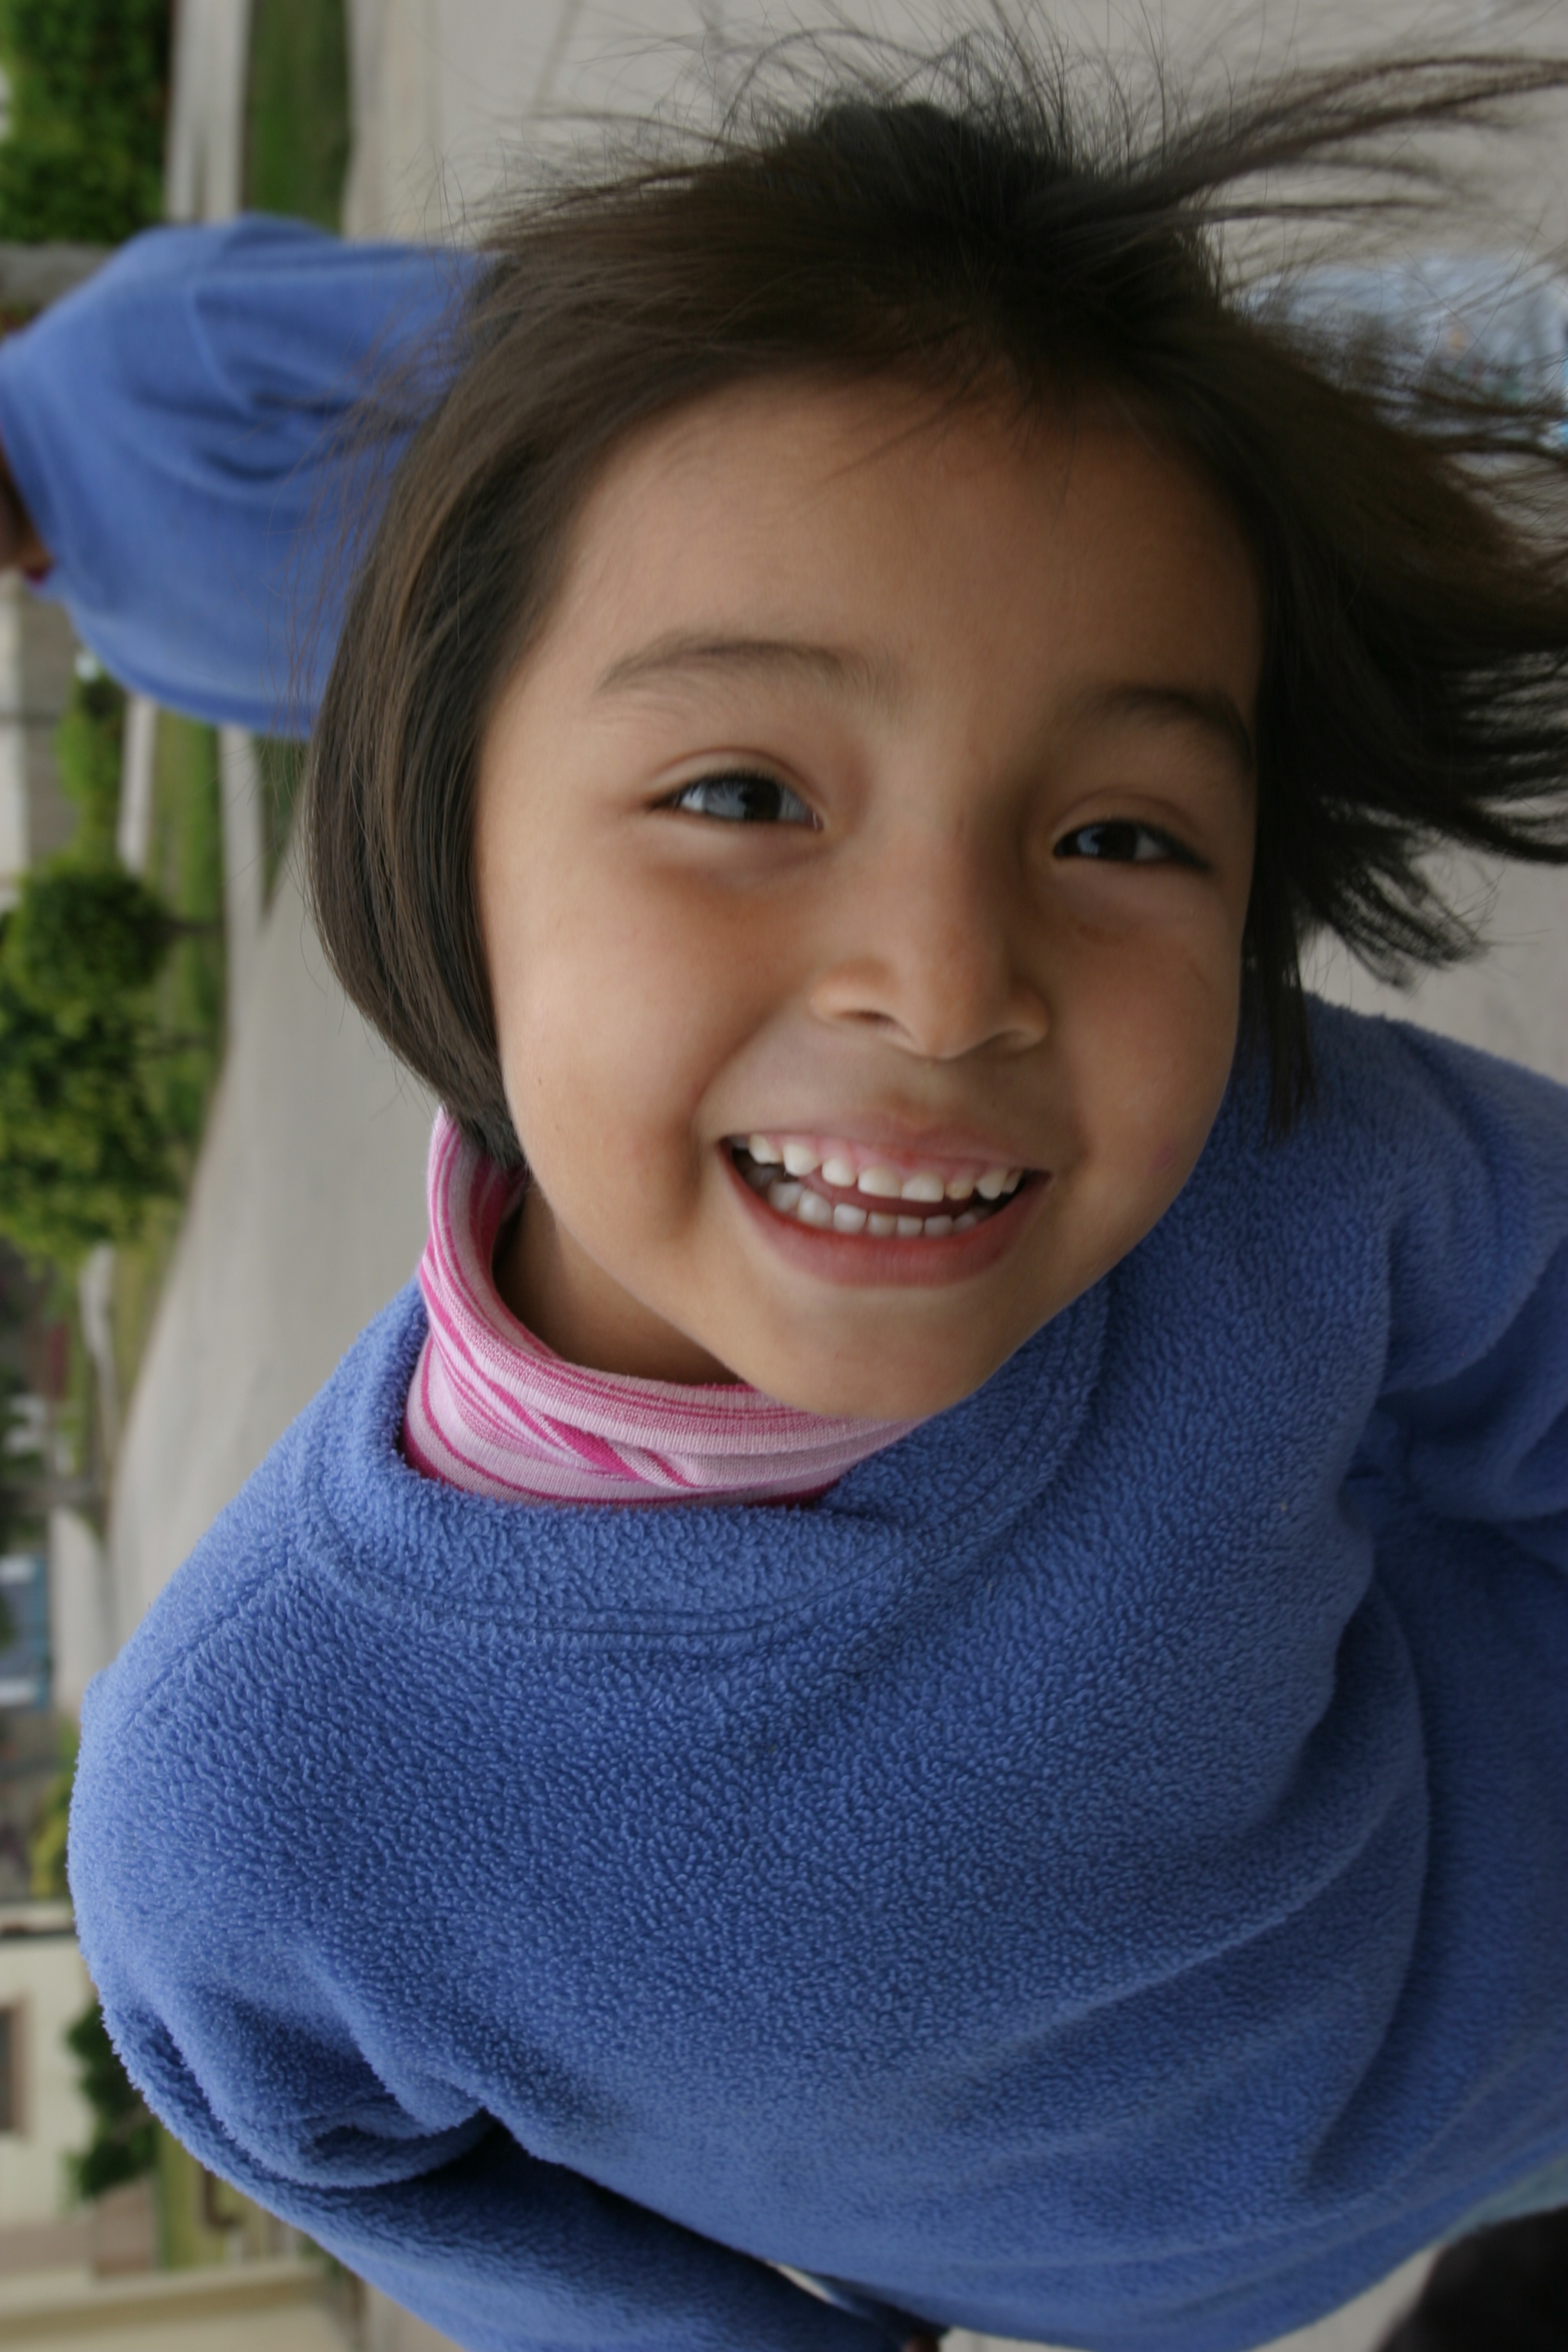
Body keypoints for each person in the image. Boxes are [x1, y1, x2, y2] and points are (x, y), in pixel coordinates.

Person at [11, 34, 1568, 2352]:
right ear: (446, 831)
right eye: (742, 789)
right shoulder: (249, 1804)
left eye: (1122, 834)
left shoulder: (1290, 1174)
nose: (947, 989)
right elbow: (336, 2143)